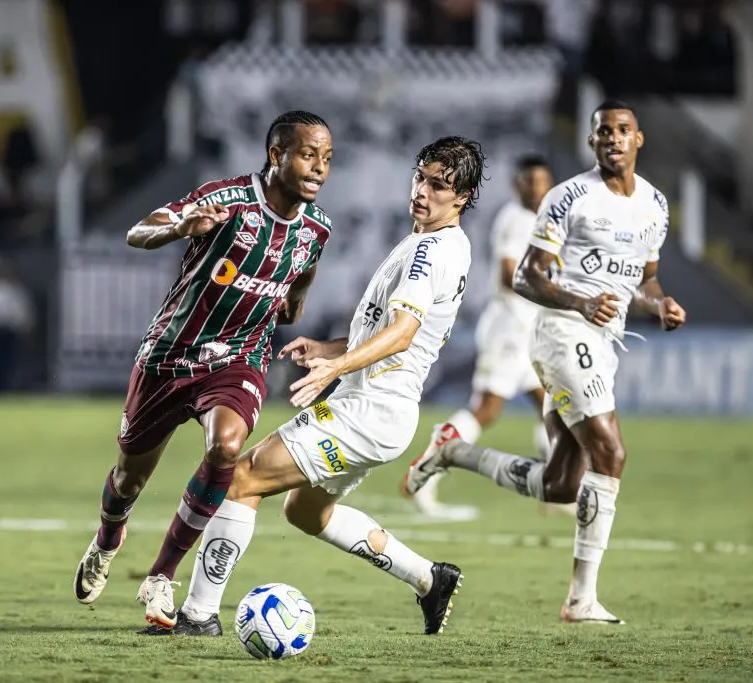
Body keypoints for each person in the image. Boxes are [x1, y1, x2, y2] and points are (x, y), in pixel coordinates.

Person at [159, 136, 485, 638]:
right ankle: (428, 578)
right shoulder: (438, 243)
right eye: (420, 176)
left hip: (368, 410)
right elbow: (388, 332)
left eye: (438, 185)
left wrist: (336, 369)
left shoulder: (431, 251)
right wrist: (332, 349)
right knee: (307, 511)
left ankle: (198, 616)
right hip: (383, 412)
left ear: (461, 198)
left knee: (242, 477)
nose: (422, 190)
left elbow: (403, 333)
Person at [404, 101, 687, 624]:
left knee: (561, 483)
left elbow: (644, 281)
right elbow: (525, 277)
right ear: (592, 140)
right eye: (603, 131)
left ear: (638, 140)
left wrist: (659, 303)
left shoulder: (654, 205)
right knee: (611, 453)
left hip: (605, 342)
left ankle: (455, 454)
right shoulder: (569, 197)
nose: (613, 139)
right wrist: (581, 302)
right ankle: (581, 599)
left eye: (623, 130)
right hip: (562, 332)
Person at [72, 111, 335, 628]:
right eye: (308, 154)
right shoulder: (227, 200)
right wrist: (178, 229)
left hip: (240, 358)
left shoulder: (315, 228)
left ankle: (161, 577)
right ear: (275, 154)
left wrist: (294, 299)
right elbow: (138, 230)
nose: (319, 167)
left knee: (227, 447)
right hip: (170, 355)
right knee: (128, 479)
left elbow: (305, 270)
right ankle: (107, 538)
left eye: (327, 158)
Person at [405, 155, 574, 520]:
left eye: (542, 181)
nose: (537, 188)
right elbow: (510, 273)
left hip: (525, 330)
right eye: (529, 181)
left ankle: (555, 488)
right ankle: (426, 470)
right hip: (510, 328)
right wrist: (557, 295)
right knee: (486, 409)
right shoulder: (518, 219)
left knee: (552, 407)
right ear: (517, 185)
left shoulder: (538, 219)